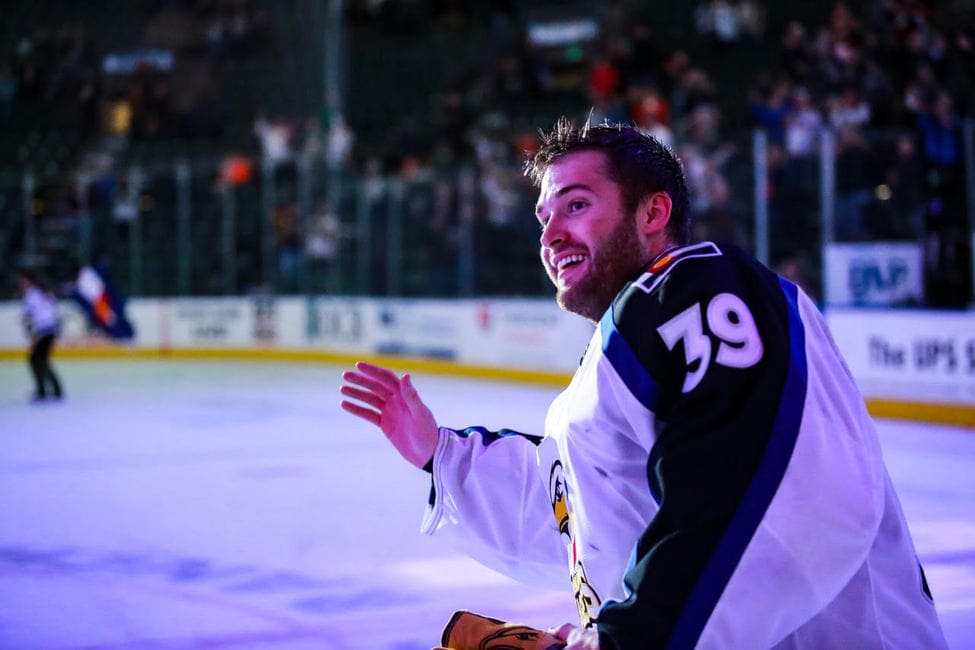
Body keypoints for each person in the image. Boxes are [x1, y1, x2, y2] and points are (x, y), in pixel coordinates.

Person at [340, 118, 948, 649]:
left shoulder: (697, 287)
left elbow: (766, 484)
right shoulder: (614, 354)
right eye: (544, 216)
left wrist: (627, 639)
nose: (550, 235)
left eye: (576, 205)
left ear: (653, 212)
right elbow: (575, 512)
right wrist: (440, 455)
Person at [18, 269, 63, 402]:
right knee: (40, 360)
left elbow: (30, 317)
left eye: (23, 280)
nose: (21, 283)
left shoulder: (31, 295)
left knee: (36, 360)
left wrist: (32, 334)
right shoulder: (44, 293)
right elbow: (51, 311)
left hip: (43, 331)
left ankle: (44, 390)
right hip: (50, 330)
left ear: (29, 281)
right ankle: (53, 390)